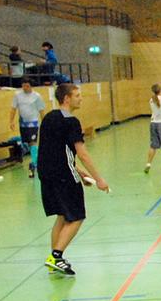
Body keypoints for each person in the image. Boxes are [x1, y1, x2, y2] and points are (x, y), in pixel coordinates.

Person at [38, 83, 109, 276]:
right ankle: (56, 256)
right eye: (77, 95)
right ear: (67, 98)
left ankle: (55, 261)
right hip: (62, 175)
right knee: (77, 216)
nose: (81, 98)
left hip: (46, 173)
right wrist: (99, 179)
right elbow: (82, 153)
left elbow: (54, 151)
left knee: (62, 215)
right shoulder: (71, 121)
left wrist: (77, 171)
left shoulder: (48, 118)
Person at [9, 78, 46, 178]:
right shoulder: (17, 95)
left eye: (27, 86)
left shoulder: (36, 96)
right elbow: (13, 109)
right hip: (23, 124)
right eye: (23, 86)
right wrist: (11, 121)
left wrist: (45, 123)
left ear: (31, 86)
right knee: (27, 143)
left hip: (33, 123)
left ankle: (34, 164)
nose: (25, 88)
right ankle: (36, 160)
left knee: (33, 142)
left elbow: (41, 110)